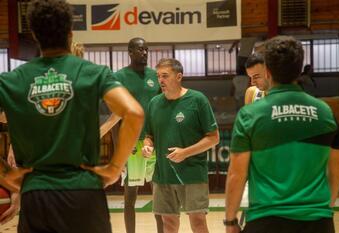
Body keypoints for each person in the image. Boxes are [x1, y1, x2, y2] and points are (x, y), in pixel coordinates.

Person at [0, 1, 144, 233]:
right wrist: (114, 168)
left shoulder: (12, 79)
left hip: (36, 194)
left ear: (35, 35)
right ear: (70, 33)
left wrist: (5, 174)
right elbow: (135, 113)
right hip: (84, 191)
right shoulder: (93, 73)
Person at [225, 36, 339, 233]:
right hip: (318, 221)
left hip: (266, 220)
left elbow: (237, 174)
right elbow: (337, 170)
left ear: (268, 71)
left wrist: (230, 221)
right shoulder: (326, 113)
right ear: (300, 70)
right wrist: (325, 208)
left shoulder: (250, 115)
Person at [142, 58, 219, 233]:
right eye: (158, 76)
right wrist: (148, 146)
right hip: (162, 174)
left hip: (192, 173)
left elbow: (213, 138)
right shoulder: (154, 103)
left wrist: (185, 152)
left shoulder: (197, 100)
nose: (160, 80)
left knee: (198, 221)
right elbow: (149, 136)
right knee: (168, 222)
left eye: (165, 76)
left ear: (179, 76)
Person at [112, 37, 163, 233]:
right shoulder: (119, 77)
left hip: (154, 141)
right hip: (131, 144)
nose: (144, 53)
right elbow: (116, 116)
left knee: (159, 195)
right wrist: (120, 150)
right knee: (130, 197)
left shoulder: (156, 76)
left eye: (146, 50)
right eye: (140, 50)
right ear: (130, 52)